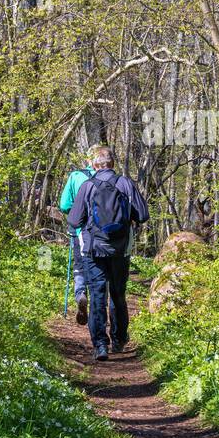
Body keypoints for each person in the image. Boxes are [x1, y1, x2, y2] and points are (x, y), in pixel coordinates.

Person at [67, 147, 149, 361]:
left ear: (95, 165)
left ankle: (100, 346)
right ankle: (119, 339)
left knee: (97, 295)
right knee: (118, 294)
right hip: (120, 249)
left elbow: (74, 221)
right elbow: (142, 215)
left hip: (94, 250)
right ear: (113, 164)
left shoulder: (87, 186)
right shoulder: (125, 184)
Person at [58, 152, 96, 324]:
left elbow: (64, 205)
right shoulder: (112, 178)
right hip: (104, 233)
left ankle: (80, 293)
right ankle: (98, 305)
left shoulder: (75, 176)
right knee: (100, 268)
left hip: (79, 229)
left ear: (88, 159)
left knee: (79, 265)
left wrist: (75, 213)